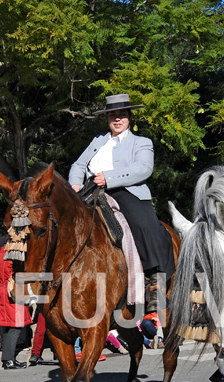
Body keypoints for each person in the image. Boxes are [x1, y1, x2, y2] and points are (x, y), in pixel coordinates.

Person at [68, 93, 176, 330]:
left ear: (129, 118)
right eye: (113, 115)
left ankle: (155, 282)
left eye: (122, 115)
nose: (117, 119)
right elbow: (78, 165)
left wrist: (109, 177)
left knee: (142, 224)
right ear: (107, 118)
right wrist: (75, 185)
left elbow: (143, 169)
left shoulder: (141, 142)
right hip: (88, 192)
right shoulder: (97, 140)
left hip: (126, 191)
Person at [0, 244, 31, 369]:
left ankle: (7, 358)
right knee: (15, 326)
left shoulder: (0, 255)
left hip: (3, 290)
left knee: (8, 327)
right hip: (14, 291)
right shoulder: (12, 256)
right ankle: (9, 360)